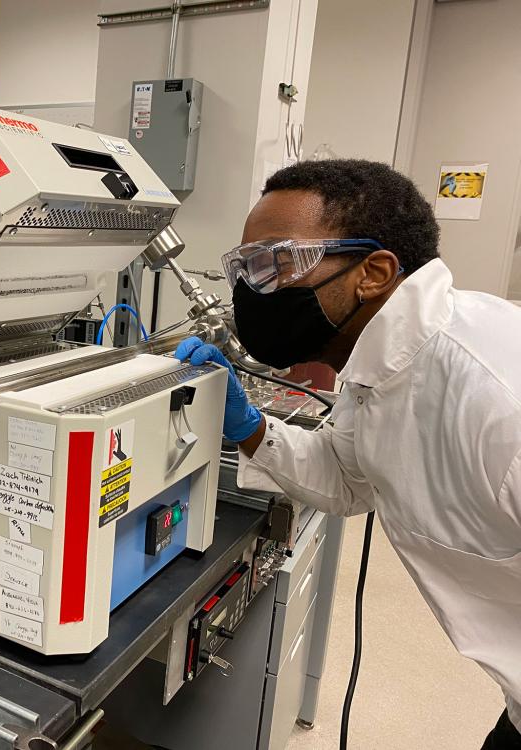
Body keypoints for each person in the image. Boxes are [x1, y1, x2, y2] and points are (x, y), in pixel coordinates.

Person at [176, 159, 521, 749]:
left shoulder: (495, 392)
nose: (253, 289)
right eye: (246, 268)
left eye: (276, 263)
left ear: (374, 272)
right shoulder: (380, 367)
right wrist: (249, 427)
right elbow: (347, 478)